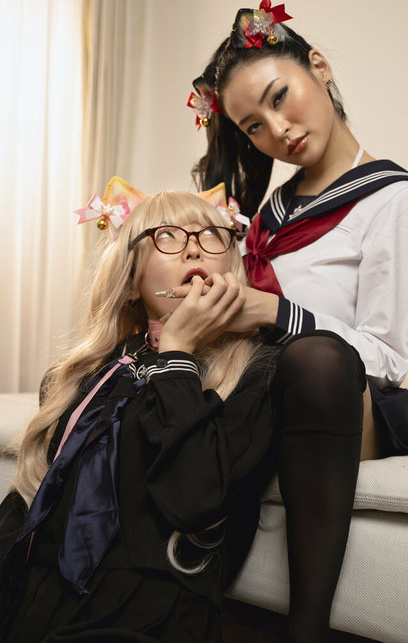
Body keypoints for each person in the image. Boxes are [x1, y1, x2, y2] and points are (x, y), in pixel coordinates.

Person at [186, 0, 408, 643]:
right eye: (253, 125)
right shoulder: (266, 213)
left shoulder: (398, 198)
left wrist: (276, 311)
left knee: (313, 359)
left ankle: (307, 628)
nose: (279, 130)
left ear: (319, 66)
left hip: (344, 401)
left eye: (281, 97)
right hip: (264, 388)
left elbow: (386, 359)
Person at [0, 188, 279, 643]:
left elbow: (194, 500)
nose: (193, 248)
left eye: (212, 234)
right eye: (167, 235)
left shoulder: (258, 372)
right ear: (131, 283)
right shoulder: (86, 374)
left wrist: (178, 352)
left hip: (151, 617)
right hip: (38, 603)